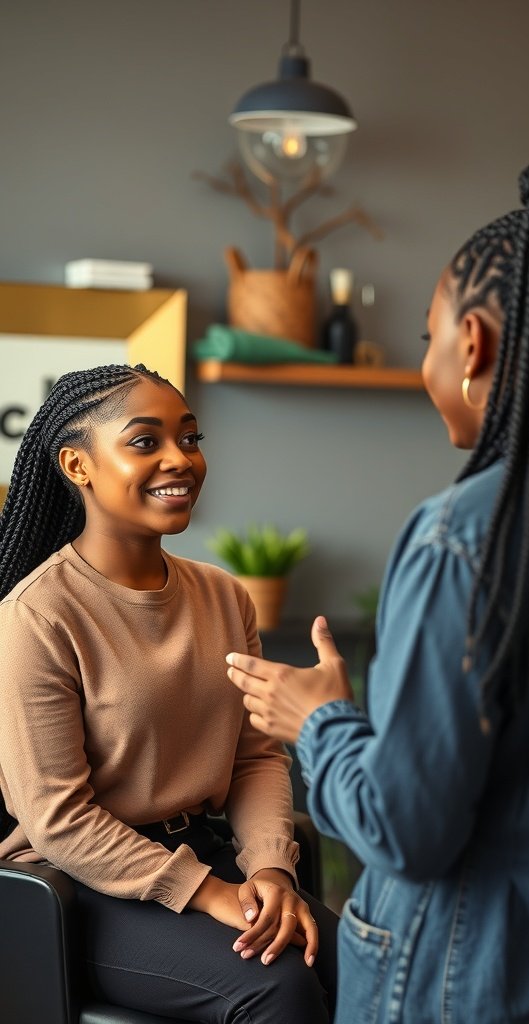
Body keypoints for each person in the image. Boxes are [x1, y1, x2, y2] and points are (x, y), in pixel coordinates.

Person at [226, 154, 529, 1024]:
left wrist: (320, 722)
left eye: (428, 335)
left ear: (474, 345)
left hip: (466, 988)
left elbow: (407, 828)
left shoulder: (463, 534)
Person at [0, 363, 338, 1023]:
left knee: (368, 966)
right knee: (279, 987)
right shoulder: (37, 616)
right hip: (85, 886)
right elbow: (57, 819)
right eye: (145, 441)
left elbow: (255, 757)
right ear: (77, 465)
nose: (180, 459)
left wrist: (270, 869)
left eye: (190, 437)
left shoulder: (223, 595)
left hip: (207, 851)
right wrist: (209, 893)